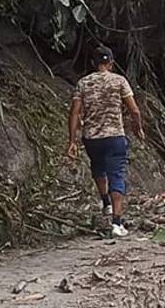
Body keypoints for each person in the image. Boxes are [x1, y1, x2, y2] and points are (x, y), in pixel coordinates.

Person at [66, 46, 144, 237]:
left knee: (98, 169)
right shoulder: (119, 81)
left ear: (94, 63)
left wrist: (72, 141)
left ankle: (106, 203)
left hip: (92, 138)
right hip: (114, 136)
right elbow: (134, 110)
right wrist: (138, 127)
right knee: (116, 175)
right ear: (110, 63)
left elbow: (74, 112)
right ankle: (116, 224)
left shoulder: (83, 83)